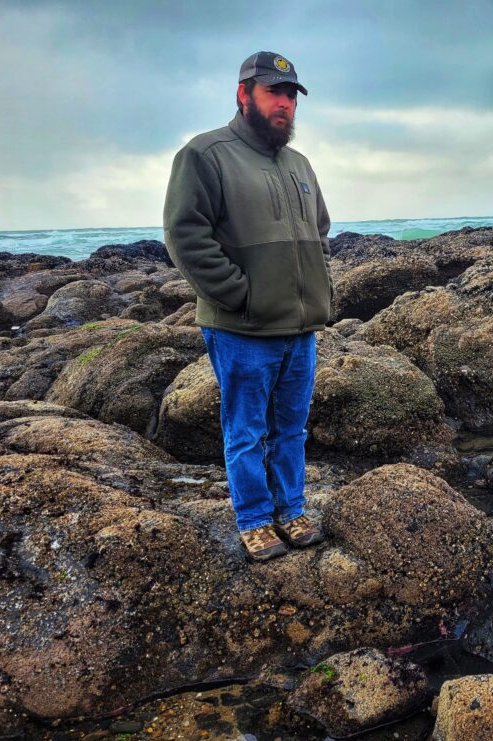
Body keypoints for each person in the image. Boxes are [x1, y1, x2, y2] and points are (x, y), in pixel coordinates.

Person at [163, 51, 334, 562]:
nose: (284, 104)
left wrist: (318, 290)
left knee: (292, 429)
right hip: (241, 328)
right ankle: (255, 519)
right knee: (246, 431)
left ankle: (292, 510)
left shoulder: (299, 164)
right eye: (273, 93)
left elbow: (319, 231)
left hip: (300, 328)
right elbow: (184, 235)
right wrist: (241, 295)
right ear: (244, 94)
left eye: (290, 96)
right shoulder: (205, 154)